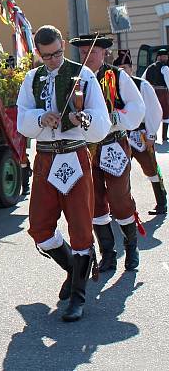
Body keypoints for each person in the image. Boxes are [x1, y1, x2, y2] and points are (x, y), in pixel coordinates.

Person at [17, 25, 111, 322]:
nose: (54, 59)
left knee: (81, 227)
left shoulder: (83, 75)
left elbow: (101, 120)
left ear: (63, 46)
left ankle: (78, 296)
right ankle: (75, 268)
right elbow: (22, 118)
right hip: (45, 158)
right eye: (47, 56)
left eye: (58, 52)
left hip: (73, 154)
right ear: (38, 53)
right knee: (40, 229)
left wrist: (83, 119)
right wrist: (41, 117)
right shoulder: (32, 79)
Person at [69, 34, 145, 273]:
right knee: (94, 201)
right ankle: (108, 254)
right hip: (86, 147)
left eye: (92, 52)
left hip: (113, 144)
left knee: (120, 199)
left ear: (104, 54)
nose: (86, 56)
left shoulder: (117, 76)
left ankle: (131, 247)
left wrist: (116, 118)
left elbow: (137, 107)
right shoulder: (75, 79)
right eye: (82, 53)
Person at [116, 50, 167, 215]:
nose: (122, 72)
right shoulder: (113, 87)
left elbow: (154, 110)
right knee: (120, 171)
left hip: (141, 134)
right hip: (122, 135)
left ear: (131, 68)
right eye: (119, 69)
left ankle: (162, 201)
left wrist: (152, 135)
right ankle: (125, 207)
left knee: (151, 167)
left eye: (125, 68)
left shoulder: (142, 85)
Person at [141, 48, 169, 142]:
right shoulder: (165, 68)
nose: (166, 58)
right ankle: (164, 137)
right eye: (164, 56)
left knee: (153, 113)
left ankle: (154, 136)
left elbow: (143, 79)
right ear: (159, 57)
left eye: (166, 56)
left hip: (151, 92)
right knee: (165, 114)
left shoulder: (149, 67)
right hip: (162, 93)